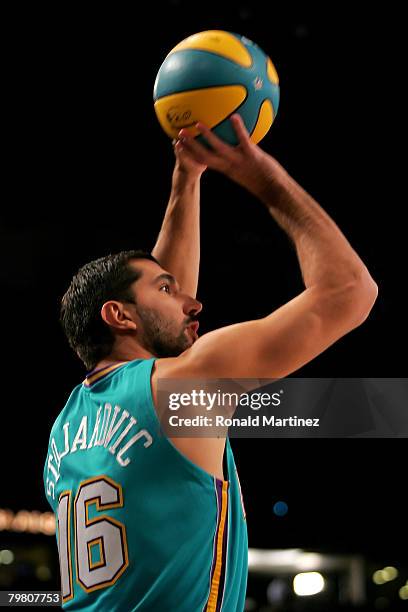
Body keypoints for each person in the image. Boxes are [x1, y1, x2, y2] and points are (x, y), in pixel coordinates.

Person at [43, 114, 377, 611]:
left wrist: (187, 179)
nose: (193, 303)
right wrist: (263, 177)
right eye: (166, 290)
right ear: (118, 316)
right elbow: (351, 292)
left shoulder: (66, 429)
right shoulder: (182, 387)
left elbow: (161, 318)